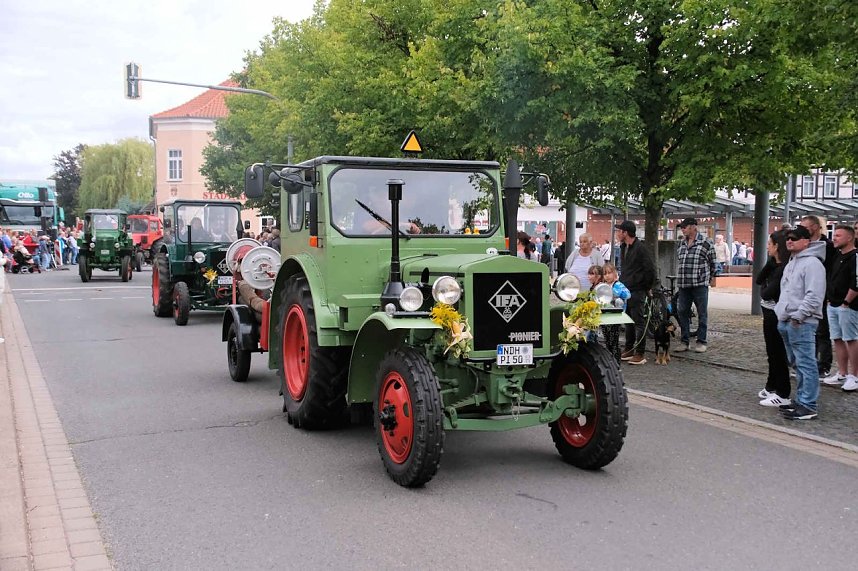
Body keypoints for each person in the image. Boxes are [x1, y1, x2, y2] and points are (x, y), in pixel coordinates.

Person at [775, 225, 826, 420]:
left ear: (806, 242)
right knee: (797, 363)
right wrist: (782, 314)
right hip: (788, 319)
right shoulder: (792, 262)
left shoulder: (812, 264)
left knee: (806, 363)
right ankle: (802, 399)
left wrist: (799, 316)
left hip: (801, 321)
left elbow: (814, 295)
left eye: (795, 238)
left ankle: (808, 405)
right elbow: (787, 292)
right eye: (788, 238)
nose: (790, 241)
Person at [820, 225, 858, 391]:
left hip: (848, 305)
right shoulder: (837, 255)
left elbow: (856, 281)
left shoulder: (855, 256)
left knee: (851, 339)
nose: (834, 238)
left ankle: (854, 376)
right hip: (833, 303)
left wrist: (847, 302)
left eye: (838, 235)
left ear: (849, 238)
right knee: (837, 338)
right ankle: (842, 372)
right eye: (834, 235)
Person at [756, 230, 791, 406]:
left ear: (777, 246)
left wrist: (764, 290)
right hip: (768, 311)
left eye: (770, 244)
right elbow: (759, 279)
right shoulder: (773, 264)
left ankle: (783, 392)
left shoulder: (784, 268)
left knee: (778, 353)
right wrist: (771, 262)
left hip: (776, 313)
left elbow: (767, 292)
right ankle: (771, 385)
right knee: (772, 352)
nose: (767, 247)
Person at [799, 215, 836, 379]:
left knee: (822, 331)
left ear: (814, 227)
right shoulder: (804, 244)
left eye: (804, 226)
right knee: (808, 330)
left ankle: (824, 366)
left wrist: (829, 293)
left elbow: (831, 271)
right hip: (805, 292)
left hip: (822, 293)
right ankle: (809, 363)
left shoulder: (828, 246)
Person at [616, 220, 656, 365]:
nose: (618, 234)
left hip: (637, 289)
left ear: (625, 233)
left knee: (638, 322)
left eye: (619, 231)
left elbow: (650, 269)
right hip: (626, 289)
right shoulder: (623, 247)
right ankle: (629, 349)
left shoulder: (640, 248)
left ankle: (640, 352)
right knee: (628, 321)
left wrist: (646, 286)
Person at [673, 218, 716, 353]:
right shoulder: (681, 244)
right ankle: (685, 341)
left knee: (702, 313)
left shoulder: (706, 243)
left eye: (685, 227)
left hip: (700, 284)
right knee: (682, 312)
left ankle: (701, 341)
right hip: (684, 284)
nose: (682, 229)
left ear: (693, 227)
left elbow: (713, 263)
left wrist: (711, 278)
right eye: (681, 227)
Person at [601, 262, 630, 365]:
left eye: (609, 273)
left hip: (615, 316)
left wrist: (617, 293)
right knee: (607, 339)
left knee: (614, 340)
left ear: (614, 273)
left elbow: (628, 295)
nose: (607, 276)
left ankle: (616, 361)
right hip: (605, 315)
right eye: (605, 273)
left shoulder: (618, 285)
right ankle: (610, 360)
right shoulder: (603, 285)